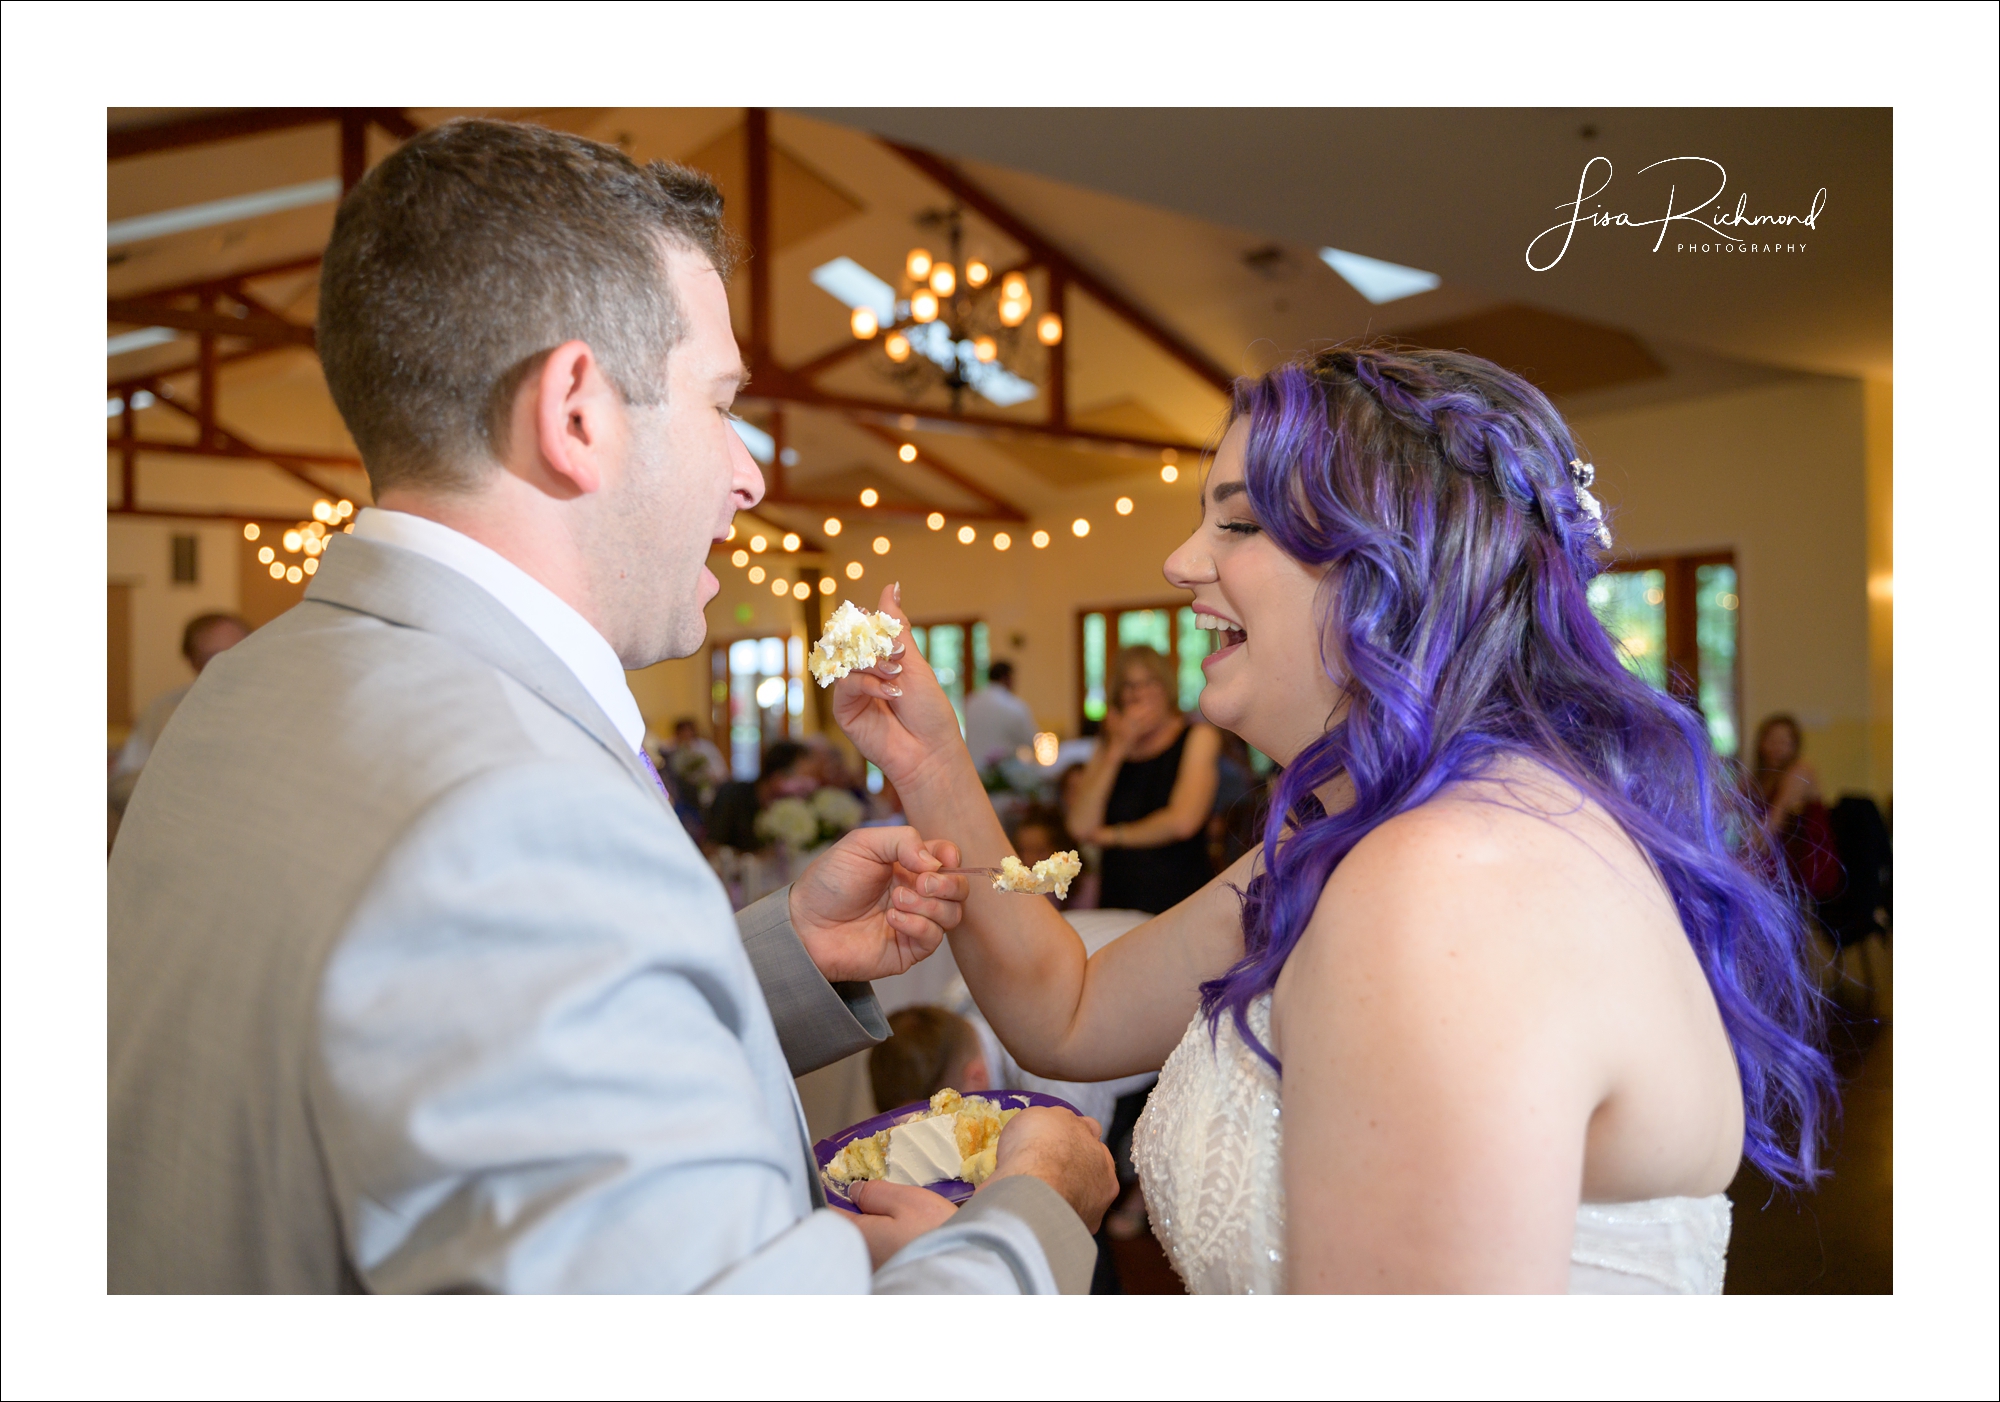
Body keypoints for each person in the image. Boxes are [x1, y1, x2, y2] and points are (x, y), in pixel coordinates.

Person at [108, 118, 1112, 1295]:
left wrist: (767, 964)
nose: (748, 474)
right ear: (577, 411)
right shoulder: (519, 815)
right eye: (719, 403)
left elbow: (439, 1064)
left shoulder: (242, 693)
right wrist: (1035, 1212)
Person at [831, 345, 1834, 1293]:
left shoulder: (1448, 882)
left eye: (1235, 523)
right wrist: (933, 764)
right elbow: (1071, 1010)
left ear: (1383, 566)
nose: (1180, 563)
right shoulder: (1359, 832)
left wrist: (1002, 1284)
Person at [1064, 645, 1221, 913]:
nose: (1139, 694)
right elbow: (1080, 825)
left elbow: (1183, 821)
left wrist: (1112, 837)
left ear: (1166, 688)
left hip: (1179, 895)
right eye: (1129, 685)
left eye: (1149, 683)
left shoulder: (1197, 737)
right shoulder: (1109, 747)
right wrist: (1117, 751)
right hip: (1119, 896)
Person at [108, 611, 249, 816]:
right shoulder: (164, 709)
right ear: (192, 661)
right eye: (211, 657)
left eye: (238, 651)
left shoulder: (277, 708)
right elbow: (122, 784)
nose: (226, 664)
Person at [1747, 713, 1842, 904]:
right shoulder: (1759, 778)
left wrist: (1746, 856)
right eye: (1772, 739)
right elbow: (1726, 803)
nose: (1777, 747)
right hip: (1781, 855)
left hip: (1806, 860)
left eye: (1784, 741)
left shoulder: (1800, 772)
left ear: (1794, 745)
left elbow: (1775, 820)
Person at [962, 659, 1038, 771]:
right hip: (1003, 775)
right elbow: (1030, 740)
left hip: (973, 769)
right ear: (1006, 678)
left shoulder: (971, 701)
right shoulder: (1014, 706)